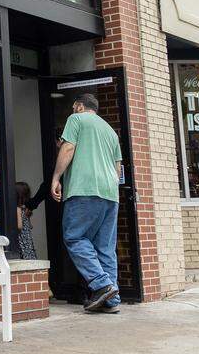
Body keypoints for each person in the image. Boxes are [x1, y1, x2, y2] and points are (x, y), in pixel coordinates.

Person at [51, 92, 122, 313]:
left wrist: (56, 178)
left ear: (80, 106)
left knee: (74, 237)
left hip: (84, 189)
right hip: (110, 194)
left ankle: (102, 285)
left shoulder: (76, 120)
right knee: (105, 248)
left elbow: (68, 148)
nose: (72, 111)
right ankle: (111, 301)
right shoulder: (110, 131)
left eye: (73, 108)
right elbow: (117, 168)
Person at [15, 181, 36, 260]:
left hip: (22, 241)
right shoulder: (26, 209)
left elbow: (19, 226)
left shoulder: (18, 209)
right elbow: (30, 226)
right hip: (28, 241)